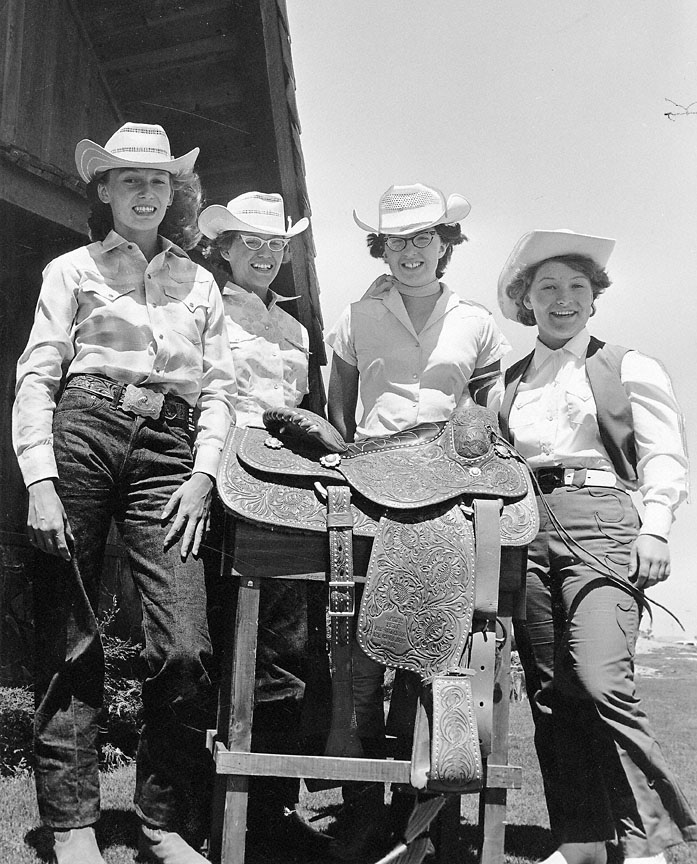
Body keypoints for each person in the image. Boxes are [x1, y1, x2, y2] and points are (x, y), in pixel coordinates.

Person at [13, 122, 236, 864]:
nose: (146, 192)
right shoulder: (70, 270)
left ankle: (161, 821)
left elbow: (222, 391)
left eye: (159, 180)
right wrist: (41, 481)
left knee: (184, 649)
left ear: (175, 194)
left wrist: (204, 475)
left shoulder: (199, 282)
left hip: (170, 451)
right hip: (83, 430)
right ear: (103, 190)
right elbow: (38, 377)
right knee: (70, 637)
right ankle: (73, 824)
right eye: (130, 179)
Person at [496, 229, 697, 864]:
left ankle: (652, 842)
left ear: (595, 299)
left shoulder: (628, 364)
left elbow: (665, 455)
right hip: (524, 527)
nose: (563, 299)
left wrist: (656, 527)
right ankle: (582, 840)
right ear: (526, 300)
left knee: (602, 677)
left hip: (603, 523)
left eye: (576, 287)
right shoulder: (504, 384)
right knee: (552, 693)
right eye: (547, 287)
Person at [325, 182, 511, 855]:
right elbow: (340, 411)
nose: (410, 250)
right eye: (397, 238)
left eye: (422, 237)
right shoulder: (352, 316)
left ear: (444, 243)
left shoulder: (477, 320)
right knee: (361, 629)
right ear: (381, 245)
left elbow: (490, 408)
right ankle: (360, 801)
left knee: (448, 632)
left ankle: (431, 801)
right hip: (375, 469)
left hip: (450, 475)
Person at [198, 192, 331, 861]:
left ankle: (269, 809)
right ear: (222, 247)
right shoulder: (202, 302)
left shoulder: (297, 329)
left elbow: (303, 413)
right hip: (215, 467)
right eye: (248, 240)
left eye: (274, 242)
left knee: (280, 642)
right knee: (207, 639)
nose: (263, 252)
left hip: (281, 485)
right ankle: (197, 803)